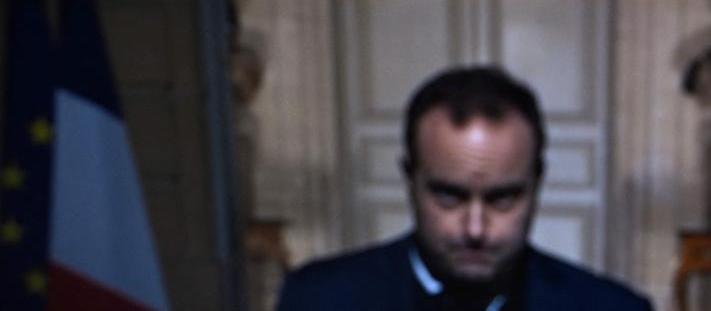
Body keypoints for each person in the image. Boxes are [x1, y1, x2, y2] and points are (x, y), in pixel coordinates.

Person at [275, 66, 652, 311]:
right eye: (448, 196)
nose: (474, 229)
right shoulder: (319, 300)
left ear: (537, 184)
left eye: (502, 199)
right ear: (409, 179)